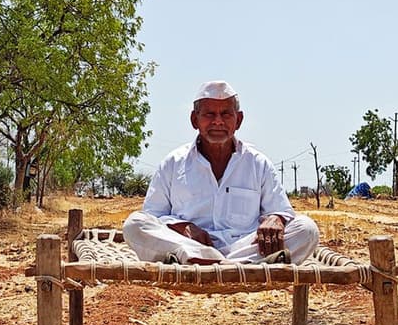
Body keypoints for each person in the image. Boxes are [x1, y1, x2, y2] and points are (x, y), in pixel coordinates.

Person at [123, 81, 319, 265]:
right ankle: (211, 261)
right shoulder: (173, 163)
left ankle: (219, 264)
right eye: (209, 114)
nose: (218, 122)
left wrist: (276, 219)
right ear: (194, 120)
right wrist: (182, 227)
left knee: (307, 229)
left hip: (244, 247)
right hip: (189, 246)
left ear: (239, 120)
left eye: (226, 114)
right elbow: (153, 215)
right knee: (134, 224)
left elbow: (282, 211)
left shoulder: (258, 163)